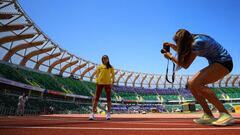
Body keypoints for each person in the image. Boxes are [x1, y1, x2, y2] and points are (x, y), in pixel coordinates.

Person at [162, 29, 234, 126]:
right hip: (219, 62)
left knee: (196, 83)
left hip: (224, 63)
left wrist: (170, 57)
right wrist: (172, 46)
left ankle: (225, 114)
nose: (179, 46)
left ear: (185, 41)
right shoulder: (195, 39)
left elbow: (185, 65)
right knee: (191, 84)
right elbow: (185, 50)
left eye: (179, 43)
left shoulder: (197, 43)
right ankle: (208, 115)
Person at [89, 55, 115, 120]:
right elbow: (97, 74)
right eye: (104, 59)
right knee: (96, 98)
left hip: (107, 84)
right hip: (100, 83)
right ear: (102, 60)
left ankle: (108, 114)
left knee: (108, 99)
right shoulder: (100, 66)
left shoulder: (111, 67)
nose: (105, 60)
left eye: (106, 59)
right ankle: (92, 114)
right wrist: (97, 81)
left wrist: (112, 82)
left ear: (108, 59)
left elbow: (113, 75)